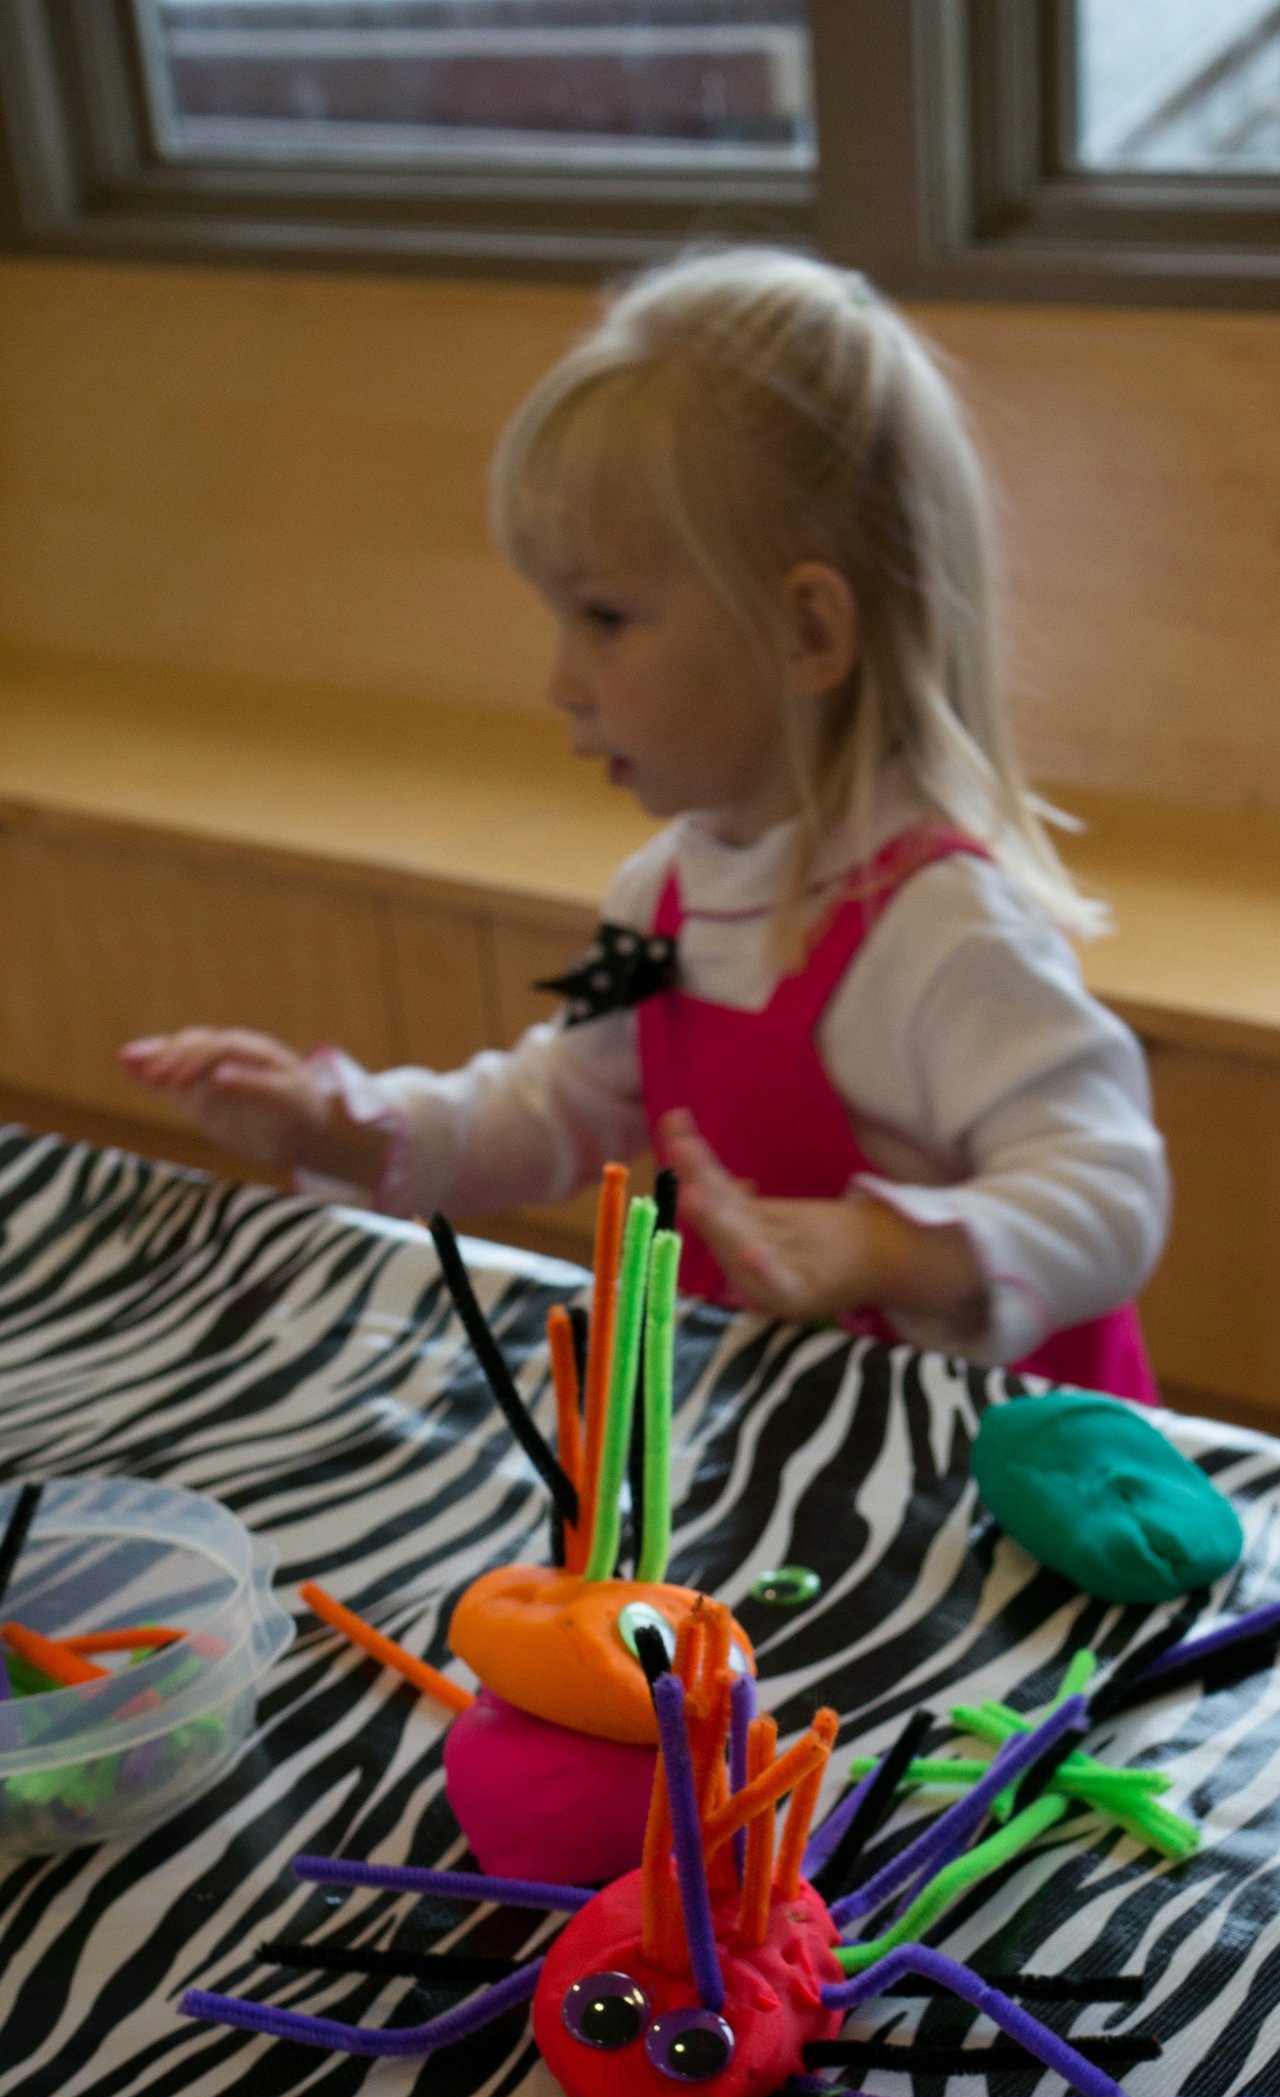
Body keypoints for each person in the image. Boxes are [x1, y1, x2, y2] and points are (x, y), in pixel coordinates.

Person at [121, 249, 1166, 1396]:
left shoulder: (944, 930)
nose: (561, 682)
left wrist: (884, 1249)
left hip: (981, 1455)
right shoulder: (657, 901)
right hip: (765, 1414)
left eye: (607, 619)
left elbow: (1111, 1188)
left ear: (809, 632)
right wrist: (340, 1126)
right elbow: (556, 1098)